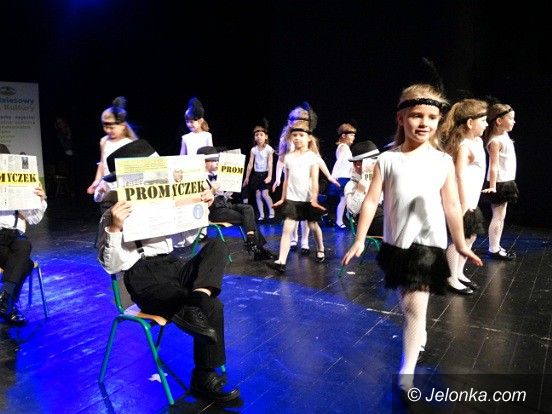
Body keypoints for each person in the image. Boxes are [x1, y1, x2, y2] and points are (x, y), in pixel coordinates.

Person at [342, 84, 482, 396]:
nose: (424, 122)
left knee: (414, 307)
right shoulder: (388, 160)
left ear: (439, 120)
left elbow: (452, 205)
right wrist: (360, 239)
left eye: (431, 117)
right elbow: (370, 201)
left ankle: (406, 372)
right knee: (408, 305)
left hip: (429, 246)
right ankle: (418, 332)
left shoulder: (442, 161)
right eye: (417, 115)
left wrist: (460, 243)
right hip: (397, 245)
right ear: (401, 118)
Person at [96, 139, 240, 403]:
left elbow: (185, 241)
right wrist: (115, 228)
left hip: (172, 264)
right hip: (142, 274)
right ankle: (204, 375)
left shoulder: (165, 201)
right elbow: (111, 267)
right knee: (212, 306)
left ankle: (197, 302)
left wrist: (200, 209)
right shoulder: (111, 215)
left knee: (217, 246)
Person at [272, 102, 338, 255]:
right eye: (294, 119)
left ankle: (305, 241)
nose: (297, 122)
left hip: (306, 180)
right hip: (291, 180)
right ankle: (293, 238)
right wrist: (277, 178)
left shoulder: (308, 138)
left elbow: (318, 159)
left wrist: (329, 176)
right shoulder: (286, 139)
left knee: (306, 213)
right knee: (292, 212)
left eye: (302, 119)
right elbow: (281, 160)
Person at [440, 98, 489, 295]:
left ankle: (459, 272)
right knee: (459, 238)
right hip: (463, 200)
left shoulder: (477, 142)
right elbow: (458, 175)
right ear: (470, 122)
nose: (486, 125)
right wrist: (464, 203)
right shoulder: (464, 146)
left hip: (472, 199)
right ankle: (450, 277)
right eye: (483, 121)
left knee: (471, 236)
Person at [197, 146, 276, 261]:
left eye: (217, 160)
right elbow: (202, 200)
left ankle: (251, 241)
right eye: (213, 160)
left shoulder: (217, 175)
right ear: (204, 162)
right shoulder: (198, 178)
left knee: (248, 209)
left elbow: (222, 194)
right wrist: (213, 190)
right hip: (214, 211)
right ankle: (257, 249)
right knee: (247, 219)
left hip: (224, 205)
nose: (217, 163)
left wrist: (227, 191)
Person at [268, 118, 327, 273]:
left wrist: (314, 199)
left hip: (308, 199)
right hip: (292, 199)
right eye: (294, 135)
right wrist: (282, 198)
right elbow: (286, 180)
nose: (297, 138)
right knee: (287, 228)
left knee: (313, 226)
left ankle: (320, 248)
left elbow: (314, 180)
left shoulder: (312, 157)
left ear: (309, 138)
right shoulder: (288, 157)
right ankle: (281, 261)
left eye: (301, 135)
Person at [0, 145, 48, 326]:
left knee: (24, 245)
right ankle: (9, 306)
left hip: (14, 237)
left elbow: (34, 219)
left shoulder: (16, 183)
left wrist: (39, 199)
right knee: (25, 264)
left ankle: (5, 298)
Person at [86, 97, 138, 212]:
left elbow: (133, 171)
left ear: (123, 125)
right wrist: (97, 181)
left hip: (123, 192)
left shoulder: (129, 143)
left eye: (112, 127)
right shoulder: (104, 141)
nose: (108, 130)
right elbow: (102, 164)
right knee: (107, 218)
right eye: (105, 127)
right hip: (107, 190)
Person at [481, 102, 518, 260]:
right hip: (499, 183)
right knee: (498, 216)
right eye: (511, 118)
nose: (514, 121)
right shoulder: (495, 141)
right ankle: (494, 248)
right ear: (499, 121)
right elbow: (493, 166)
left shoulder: (503, 135)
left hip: (506, 181)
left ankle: (496, 245)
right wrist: (492, 186)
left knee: (501, 216)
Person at [343, 140, 383, 236]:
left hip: (383, 217)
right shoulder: (351, 184)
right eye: (373, 161)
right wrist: (360, 190)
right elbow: (352, 211)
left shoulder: (377, 179)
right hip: (368, 223)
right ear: (358, 164)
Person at [242, 118, 275, 221]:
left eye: (261, 135)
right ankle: (261, 214)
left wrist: (269, 176)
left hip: (265, 174)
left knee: (265, 194)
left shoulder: (269, 149)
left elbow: (270, 163)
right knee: (258, 194)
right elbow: (250, 164)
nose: (259, 137)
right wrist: (247, 177)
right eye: (257, 135)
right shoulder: (254, 150)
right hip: (256, 174)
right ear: (254, 137)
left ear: (266, 137)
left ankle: (272, 212)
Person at [329, 123, 356, 229]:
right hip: (343, 177)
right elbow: (339, 162)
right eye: (351, 135)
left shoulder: (345, 148)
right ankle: (339, 221)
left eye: (354, 135)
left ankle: (348, 217)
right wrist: (333, 176)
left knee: (348, 199)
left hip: (347, 176)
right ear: (344, 135)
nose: (353, 137)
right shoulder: (343, 147)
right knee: (344, 200)